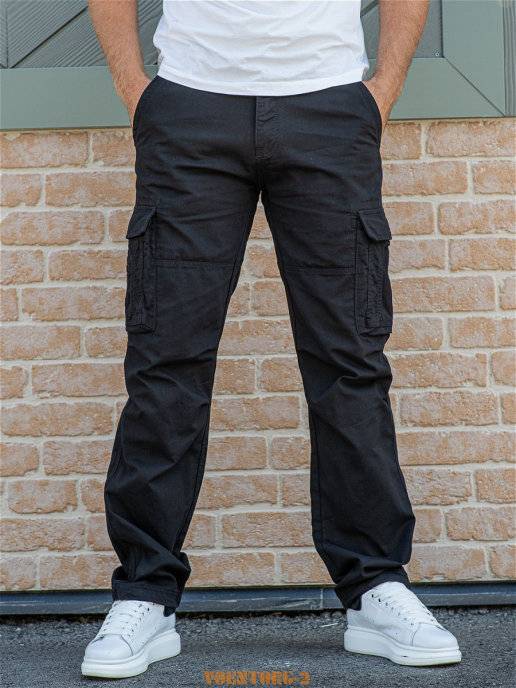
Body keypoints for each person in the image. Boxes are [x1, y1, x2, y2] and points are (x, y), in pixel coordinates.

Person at [82, 0, 461, 678]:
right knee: (166, 362)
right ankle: (144, 593)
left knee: (350, 362)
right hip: (190, 107)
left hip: (330, 106)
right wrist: (136, 90)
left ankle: (375, 585)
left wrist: (381, 92)